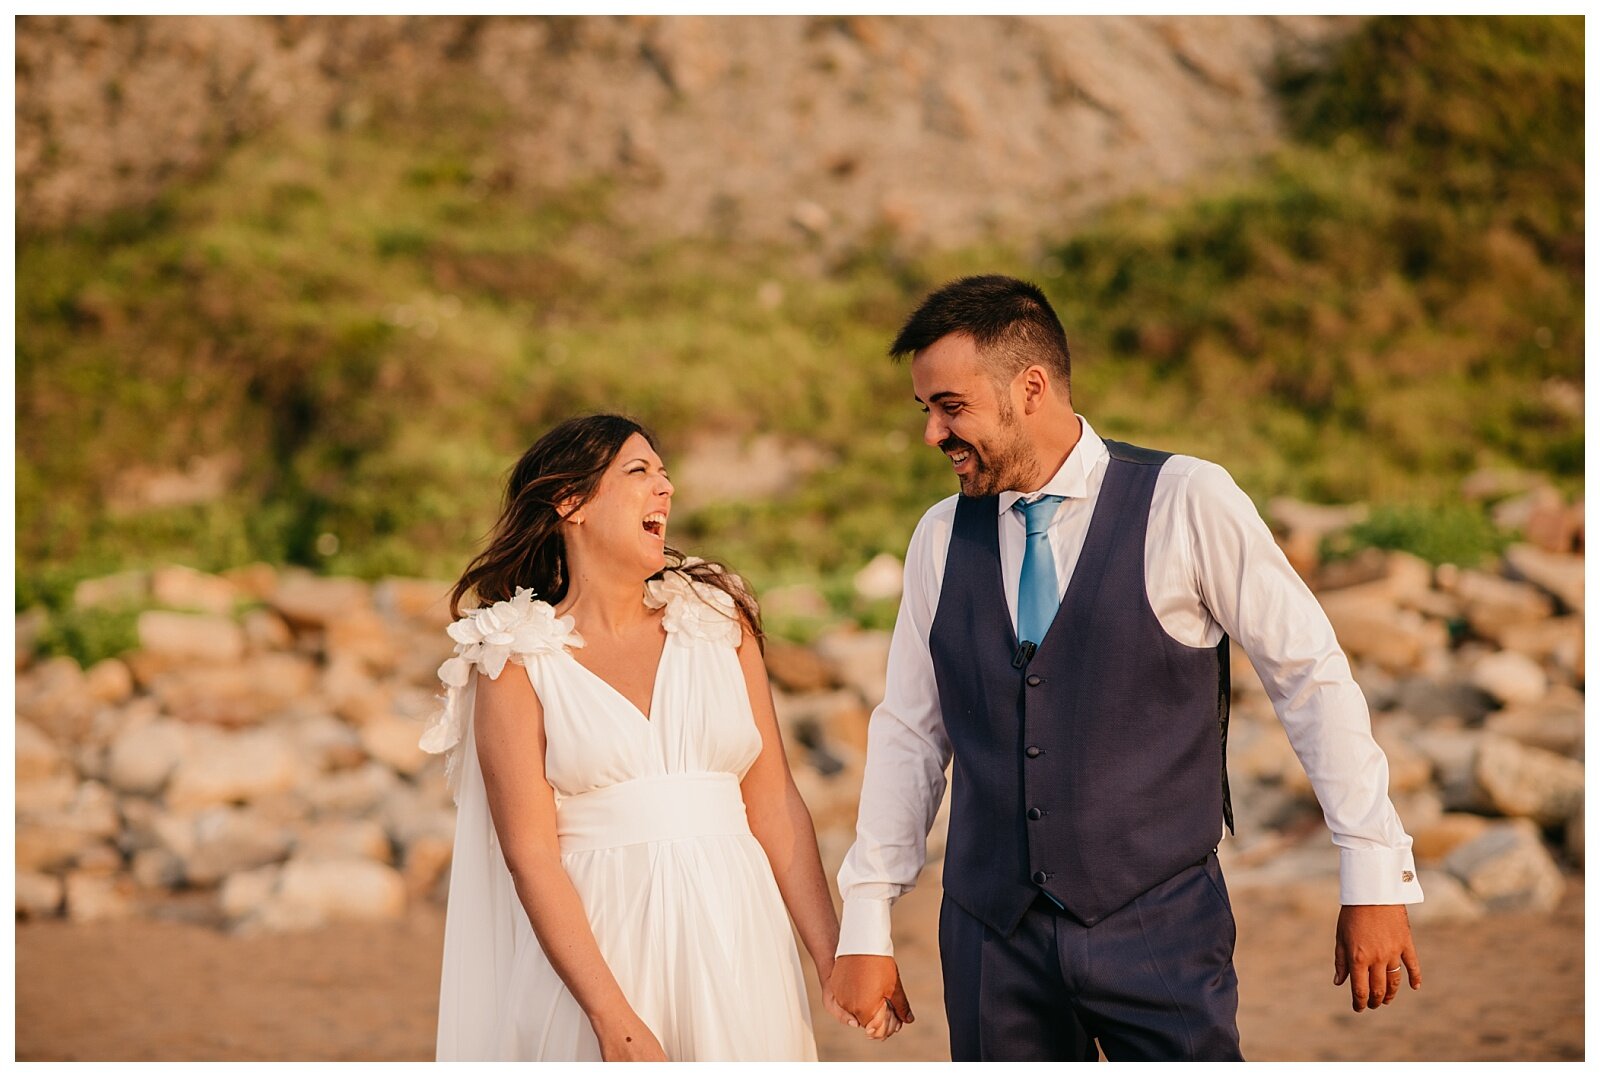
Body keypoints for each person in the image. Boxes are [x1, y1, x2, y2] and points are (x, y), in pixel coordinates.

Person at [825, 276, 1425, 1061]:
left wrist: (1372, 871)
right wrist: (867, 917)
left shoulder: (1187, 500)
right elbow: (910, 731)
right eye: (925, 410)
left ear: (1031, 387)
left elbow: (1309, 676)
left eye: (951, 405)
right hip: (990, 941)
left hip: (1161, 927)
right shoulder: (940, 538)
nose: (933, 432)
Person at [418, 414, 882, 1060]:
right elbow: (531, 856)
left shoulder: (720, 622)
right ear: (571, 502)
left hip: (737, 941)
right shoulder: (517, 659)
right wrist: (612, 1015)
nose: (665, 489)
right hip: (603, 956)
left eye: (666, 475)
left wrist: (834, 957)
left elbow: (774, 805)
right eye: (639, 472)